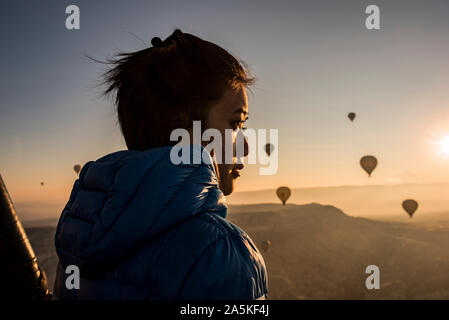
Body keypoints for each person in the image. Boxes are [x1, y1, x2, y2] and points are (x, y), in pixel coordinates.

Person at [53, 29, 268, 299]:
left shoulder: (77, 240)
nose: (246, 147)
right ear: (182, 128)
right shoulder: (220, 253)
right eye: (236, 124)